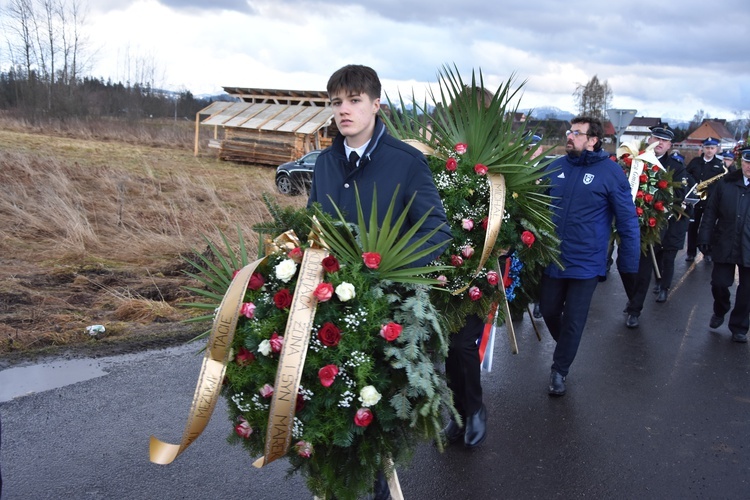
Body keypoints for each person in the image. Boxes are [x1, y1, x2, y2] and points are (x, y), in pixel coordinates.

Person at [307, 64, 452, 498]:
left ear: (376, 105)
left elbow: (437, 230)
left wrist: (393, 271)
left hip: (384, 309)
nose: (343, 110)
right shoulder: (325, 164)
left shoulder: (406, 163)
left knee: (368, 421)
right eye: (336, 102)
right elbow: (313, 225)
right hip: (329, 306)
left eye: (353, 100)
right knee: (330, 411)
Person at [539, 116, 640, 396]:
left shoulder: (611, 172)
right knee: (547, 310)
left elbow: (628, 221)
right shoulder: (554, 167)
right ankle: (567, 348)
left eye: (577, 133)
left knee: (573, 318)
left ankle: (559, 370)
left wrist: (629, 264)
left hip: (586, 261)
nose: (569, 136)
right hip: (553, 257)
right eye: (569, 131)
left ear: (593, 140)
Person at [697, 148, 750, 343]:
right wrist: (704, 236)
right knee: (719, 283)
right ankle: (721, 308)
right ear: (741, 162)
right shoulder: (725, 183)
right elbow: (710, 212)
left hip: (748, 245)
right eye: (747, 162)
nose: (749, 167)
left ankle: (739, 327)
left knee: (747, 292)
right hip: (725, 241)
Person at [649, 126, 694, 305]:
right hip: (649, 220)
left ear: (669, 146)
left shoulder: (676, 167)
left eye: (664, 141)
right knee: (655, 254)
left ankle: (664, 287)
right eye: (656, 138)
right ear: (650, 140)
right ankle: (658, 280)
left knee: (668, 255)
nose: (659, 143)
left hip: (672, 221)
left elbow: (681, 193)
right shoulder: (638, 162)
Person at [685, 137, 725, 262]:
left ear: (716, 149)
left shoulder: (719, 165)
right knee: (692, 226)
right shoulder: (695, 162)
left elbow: (721, 183)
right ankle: (691, 252)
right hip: (695, 199)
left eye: (712, 148)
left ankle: (707, 252)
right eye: (707, 148)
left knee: (708, 227)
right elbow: (686, 176)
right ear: (703, 148)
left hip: (710, 201)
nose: (709, 150)